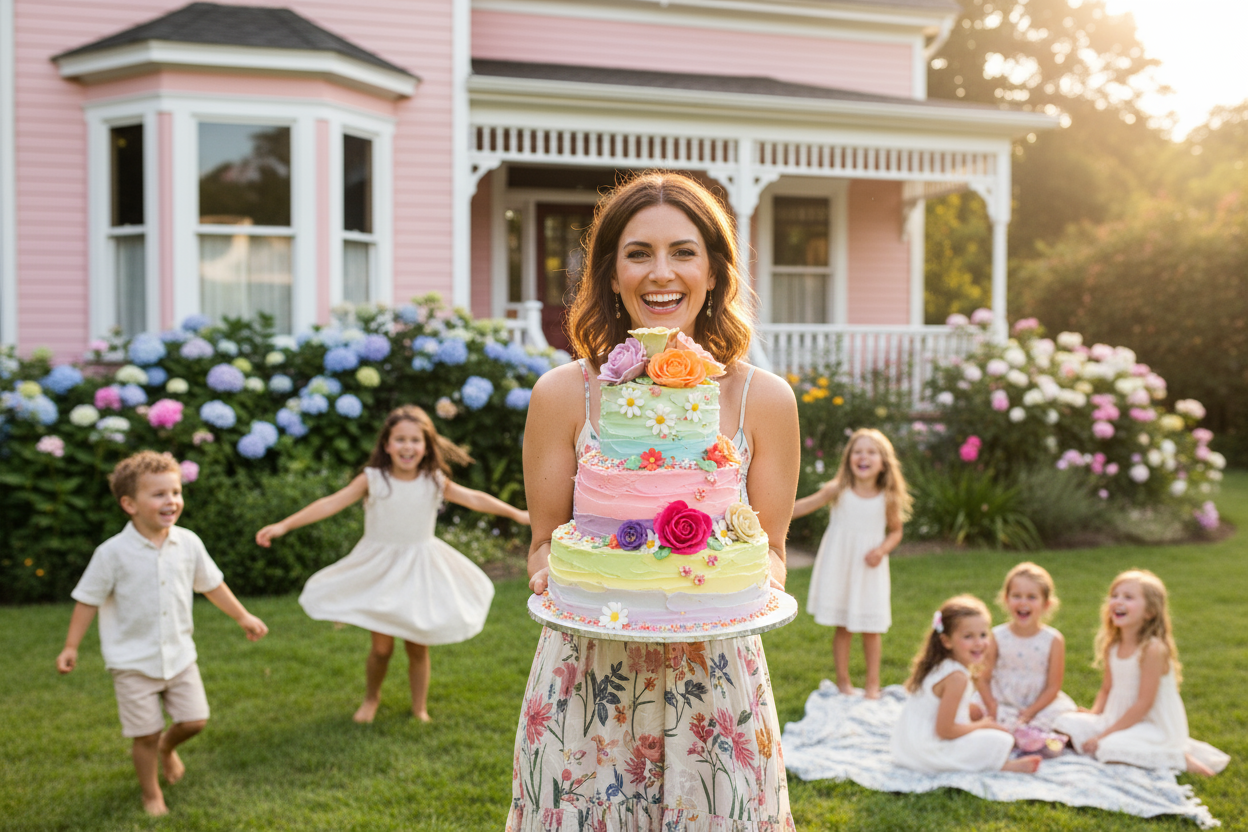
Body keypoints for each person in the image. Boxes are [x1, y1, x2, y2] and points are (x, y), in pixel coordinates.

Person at [509, 171, 799, 829]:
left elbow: (773, 553)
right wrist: (556, 580)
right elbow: (541, 543)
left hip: (716, 683)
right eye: (638, 253)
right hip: (590, 679)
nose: (659, 273)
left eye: (683, 251)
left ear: (716, 272)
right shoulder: (562, 394)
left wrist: (725, 590)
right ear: (610, 273)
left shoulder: (766, 400)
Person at [255, 405, 528, 723]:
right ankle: (371, 698)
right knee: (382, 648)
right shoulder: (373, 479)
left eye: (415, 440)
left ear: (426, 446)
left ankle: (419, 708)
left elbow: (476, 498)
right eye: (399, 439)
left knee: (417, 647)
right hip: (380, 570)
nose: (407, 447)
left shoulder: (433, 481)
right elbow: (331, 502)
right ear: (386, 444)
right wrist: (284, 525)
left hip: (419, 570)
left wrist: (518, 514)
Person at [56, 450, 269, 816]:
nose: (171, 500)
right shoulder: (112, 554)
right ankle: (151, 793)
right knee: (145, 734)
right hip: (132, 662)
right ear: (129, 504)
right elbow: (87, 600)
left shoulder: (188, 543)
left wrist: (243, 616)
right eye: (158, 494)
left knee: (195, 720)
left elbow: (211, 585)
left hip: (180, 655)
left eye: (175, 492)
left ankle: (168, 748)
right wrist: (71, 646)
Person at [1053, 570, 1229, 776]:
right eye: (1115, 595)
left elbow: (1143, 704)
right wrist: (1094, 714)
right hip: (1116, 718)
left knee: (1108, 747)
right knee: (1064, 721)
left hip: (1151, 725)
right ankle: (1118, 744)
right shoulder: (1113, 645)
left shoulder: (1152, 649)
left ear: (1150, 612)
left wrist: (1101, 737)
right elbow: (1107, 688)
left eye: (1128, 597)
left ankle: (1178, 757)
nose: (1118, 601)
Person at [794, 427, 909, 699]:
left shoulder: (887, 497)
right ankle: (843, 683)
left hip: (869, 569)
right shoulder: (838, 489)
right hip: (841, 567)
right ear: (848, 459)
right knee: (843, 626)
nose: (863, 457)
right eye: (857, 451)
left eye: (871, 452)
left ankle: (872, 684)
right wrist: (770, 511)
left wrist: (882, 550)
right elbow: (804, 506)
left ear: (883, 462)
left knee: (871, 628)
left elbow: (896, 531)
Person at [890, 595, 1041, 774]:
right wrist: (983, 725)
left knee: (981, 720)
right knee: (1001, 739)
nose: (979, 643)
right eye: (968, 636)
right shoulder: (956, 677)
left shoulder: (942, 665)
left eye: (983, 635)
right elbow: (945, 730)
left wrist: (970, 711)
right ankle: (1001, 767)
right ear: (946, 641)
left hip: (906, 747)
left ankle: (990, 759)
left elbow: (939, 709)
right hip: (925, 752)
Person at [971, 561, 1076, 731]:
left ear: (1046, 604)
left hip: (1039, 705)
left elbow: (1053, 687)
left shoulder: (1053, 640)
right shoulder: (997, 637)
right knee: (971, 713)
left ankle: (1032, 735)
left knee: (1066, 720)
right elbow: (982, 678)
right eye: (1016, 596)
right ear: (1006, 599)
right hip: (1001, 701)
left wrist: (1030, 712)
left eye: (1032, 597)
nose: (1023, 603)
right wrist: (991, 707)